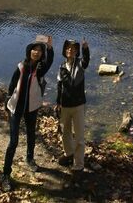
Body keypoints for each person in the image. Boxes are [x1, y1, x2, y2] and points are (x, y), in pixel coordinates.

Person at [1, 36, 53, 192]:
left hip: (31, 108)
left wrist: (49, 48)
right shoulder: (21, 66)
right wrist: (6, 105)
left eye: (39, 50)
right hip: (16, 108)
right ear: (29, 51)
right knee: (13, 141)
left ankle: (30, 159)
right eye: (34, 49)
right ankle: (5, 175)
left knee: (31, 134)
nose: (36, 52)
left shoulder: (40, 69)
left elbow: (49, 62)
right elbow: (11, 86)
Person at [56, 38, 90, 175]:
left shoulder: (80, 65)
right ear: (65, 51)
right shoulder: (62, 67)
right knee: (65, 133)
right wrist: (58, 103)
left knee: (79, 136)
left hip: (78, 105)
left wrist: (85, 49)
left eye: (73, 49)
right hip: (64, 105)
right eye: (68, 48)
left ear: (76, 51)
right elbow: (59, 87)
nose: (70, 50)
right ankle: (69, 154)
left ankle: (79, 164)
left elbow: (86, 61)